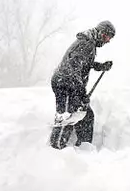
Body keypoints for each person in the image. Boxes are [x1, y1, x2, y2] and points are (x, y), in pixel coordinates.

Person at [49, 20, 115, 149]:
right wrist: (81, 92)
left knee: (86, 115)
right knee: (67, 116)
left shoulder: (89, 43)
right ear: (102, 33)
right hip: (66, 84)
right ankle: (55, 150)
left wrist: (100, 66)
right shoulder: (86, 43)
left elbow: (84, 63)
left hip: (71, 84)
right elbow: (73, 68)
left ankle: (84, 148)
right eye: (108, 37)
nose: (108, 41)